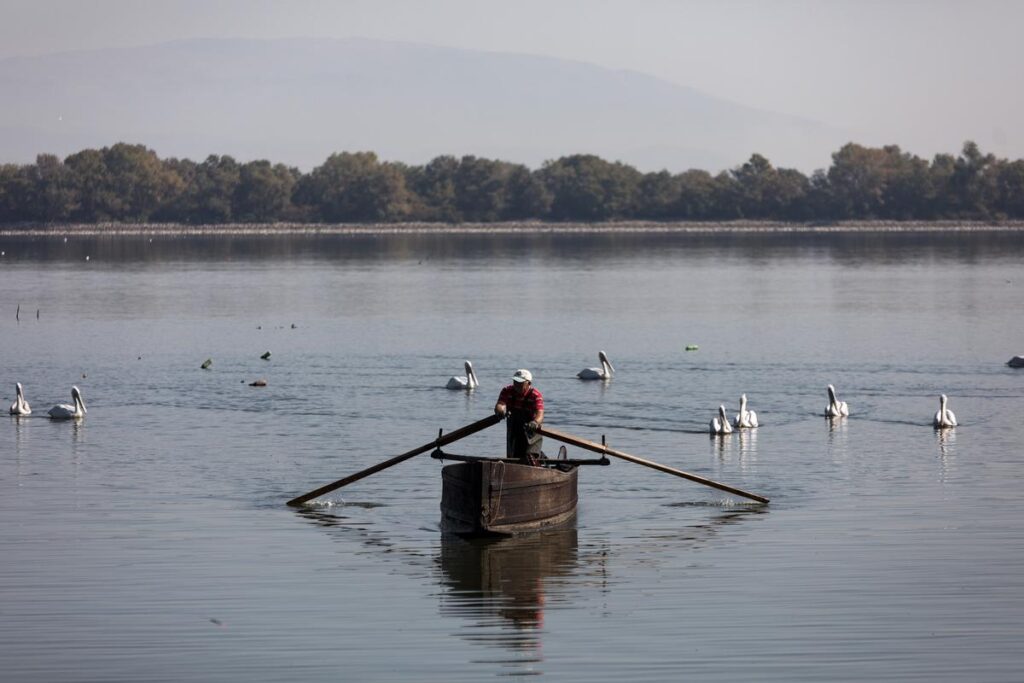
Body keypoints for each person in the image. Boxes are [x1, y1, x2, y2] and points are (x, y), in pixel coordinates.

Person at [494, 368, 544, 464]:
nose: (516, 384)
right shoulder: (507, 390)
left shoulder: (535, 395)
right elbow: (500, 405)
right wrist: (501, 412)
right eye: (515, 381)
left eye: (520, 382)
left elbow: (540, 414)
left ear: (528, 383)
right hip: (514, 430)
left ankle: (540, 461)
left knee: (530, 458)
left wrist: (535, 422)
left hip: (531, 432)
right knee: (513, 458)